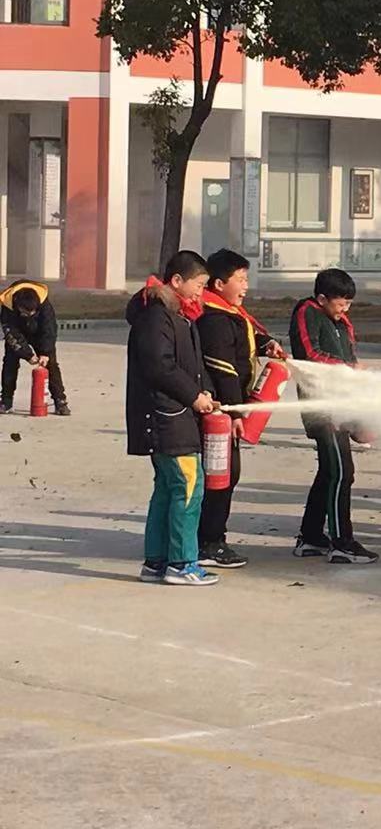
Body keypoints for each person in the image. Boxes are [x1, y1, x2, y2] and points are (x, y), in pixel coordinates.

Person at [126, 251, 219, 586]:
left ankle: (157, 561)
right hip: (167, 417)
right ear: (177, 281)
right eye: (199, 284)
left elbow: (191, 367)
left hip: (175, 415)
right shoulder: (157, 317)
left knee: (167, 489)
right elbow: (160, 366)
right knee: (188, 488)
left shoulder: (179, 316)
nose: (201, 292)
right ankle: (181, 563)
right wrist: (194, 397)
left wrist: (206, 393)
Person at [195, 248, 287, 569]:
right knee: (221, 475)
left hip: (224, 412)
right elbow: (224, 369)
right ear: (219, 284)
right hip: (218, 413)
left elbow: (245, 336)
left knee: (224, 473)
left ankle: (209, 539)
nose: (247, 286)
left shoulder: (228, 312)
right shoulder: (215, 318)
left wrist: (266, 343)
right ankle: (210, 542)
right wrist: (235, 413)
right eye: (241, 279)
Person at [290, 267, 376, 565]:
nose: (345, 309)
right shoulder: (307, 311)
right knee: (342, 473)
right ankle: (342, 542)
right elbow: (309, 355)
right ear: (322, 298)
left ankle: (311, 535)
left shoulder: (341, 321)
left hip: (342, 407)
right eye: (340, 303)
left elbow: (349, 359)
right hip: (322, 408)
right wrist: (347, 369)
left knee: (329, 473)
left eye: (349, 304)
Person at [0, 279, 68, 415]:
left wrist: (45, 352)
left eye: (32, 313)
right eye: (25, 313)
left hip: (39, 334)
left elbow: (49, 330)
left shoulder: (44, 304)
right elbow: (11, 333)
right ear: (17, 306)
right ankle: (6, 401)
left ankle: (60, 401)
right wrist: (27, 354)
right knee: (9, 363)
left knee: (51, 365)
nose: (28, 316)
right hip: (18, 332)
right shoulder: (7, 305)